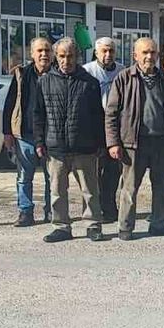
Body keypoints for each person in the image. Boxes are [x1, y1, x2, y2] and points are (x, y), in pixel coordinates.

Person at [105, 37, 164, 240]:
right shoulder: (124, 78)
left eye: (153, 52)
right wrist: (113, 142)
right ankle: (125, 227)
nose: (149, 56)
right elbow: (111, 113)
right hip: (134, 143)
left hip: (163, 143)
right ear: (135, 55)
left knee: (162, 187)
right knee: (130, 188)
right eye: (145, 52)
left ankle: (159, 225)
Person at [32, 38, 106, 243]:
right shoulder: (44, 82)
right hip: (55, 148)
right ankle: (61, 226)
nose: (66, 61)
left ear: (77, 57)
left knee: (90, 191)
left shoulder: (89, 83)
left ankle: (93, 225)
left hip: (84, 148)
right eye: (62, 56)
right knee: (57, 191)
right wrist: (39, 141)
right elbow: (38, 115)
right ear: (56, 57)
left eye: (70, 56)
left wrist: (100, 144)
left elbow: (97, 116)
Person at [1, 37, 54, 227]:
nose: (44, 54)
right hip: (25, 134)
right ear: (32, 54)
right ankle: (25, 212)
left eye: (47, 50)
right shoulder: (21, 74)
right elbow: (9, 104)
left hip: (51, 135)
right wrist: (7, 132)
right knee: (24, 177)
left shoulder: (58, 74)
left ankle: (52, 212)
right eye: (39, 51)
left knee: (52, 178)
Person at [82, 37, 123, 223]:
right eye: (104, 51)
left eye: (111, 51)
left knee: (113, 171)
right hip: (94, 127)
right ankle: (94, 209)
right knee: (94, 172)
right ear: (96, 53)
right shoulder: (87, 71)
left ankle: (110, 206)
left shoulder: (122, 71)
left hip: (116, 127)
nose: (108, 55)